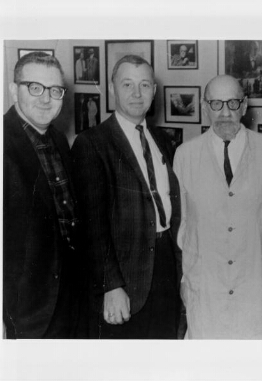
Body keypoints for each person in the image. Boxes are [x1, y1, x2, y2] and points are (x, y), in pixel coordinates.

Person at [71, 55, 181, 339]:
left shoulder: (163, 140)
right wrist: (110, 286)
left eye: (144, 85)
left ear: (154, 91)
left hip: (166, 267)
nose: (136, 93)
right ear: (112, 89)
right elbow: (92, 226)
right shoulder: (92, 143)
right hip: (124, 276)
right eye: (127, 84)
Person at [173, 75, 262, 339]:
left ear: (244, 106)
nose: (225, 113)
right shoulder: (184, 155)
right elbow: (183, 226)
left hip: (256, 290)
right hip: (207, 289)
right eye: (216, 104)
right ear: (204, 107)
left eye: (232, 103)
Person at [4, 52, 82, 338]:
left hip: (67, 300)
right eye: (34, 87)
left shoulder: (60, 140)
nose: (45, 99)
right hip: (22, 312)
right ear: (14, 90)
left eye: (55, 90)